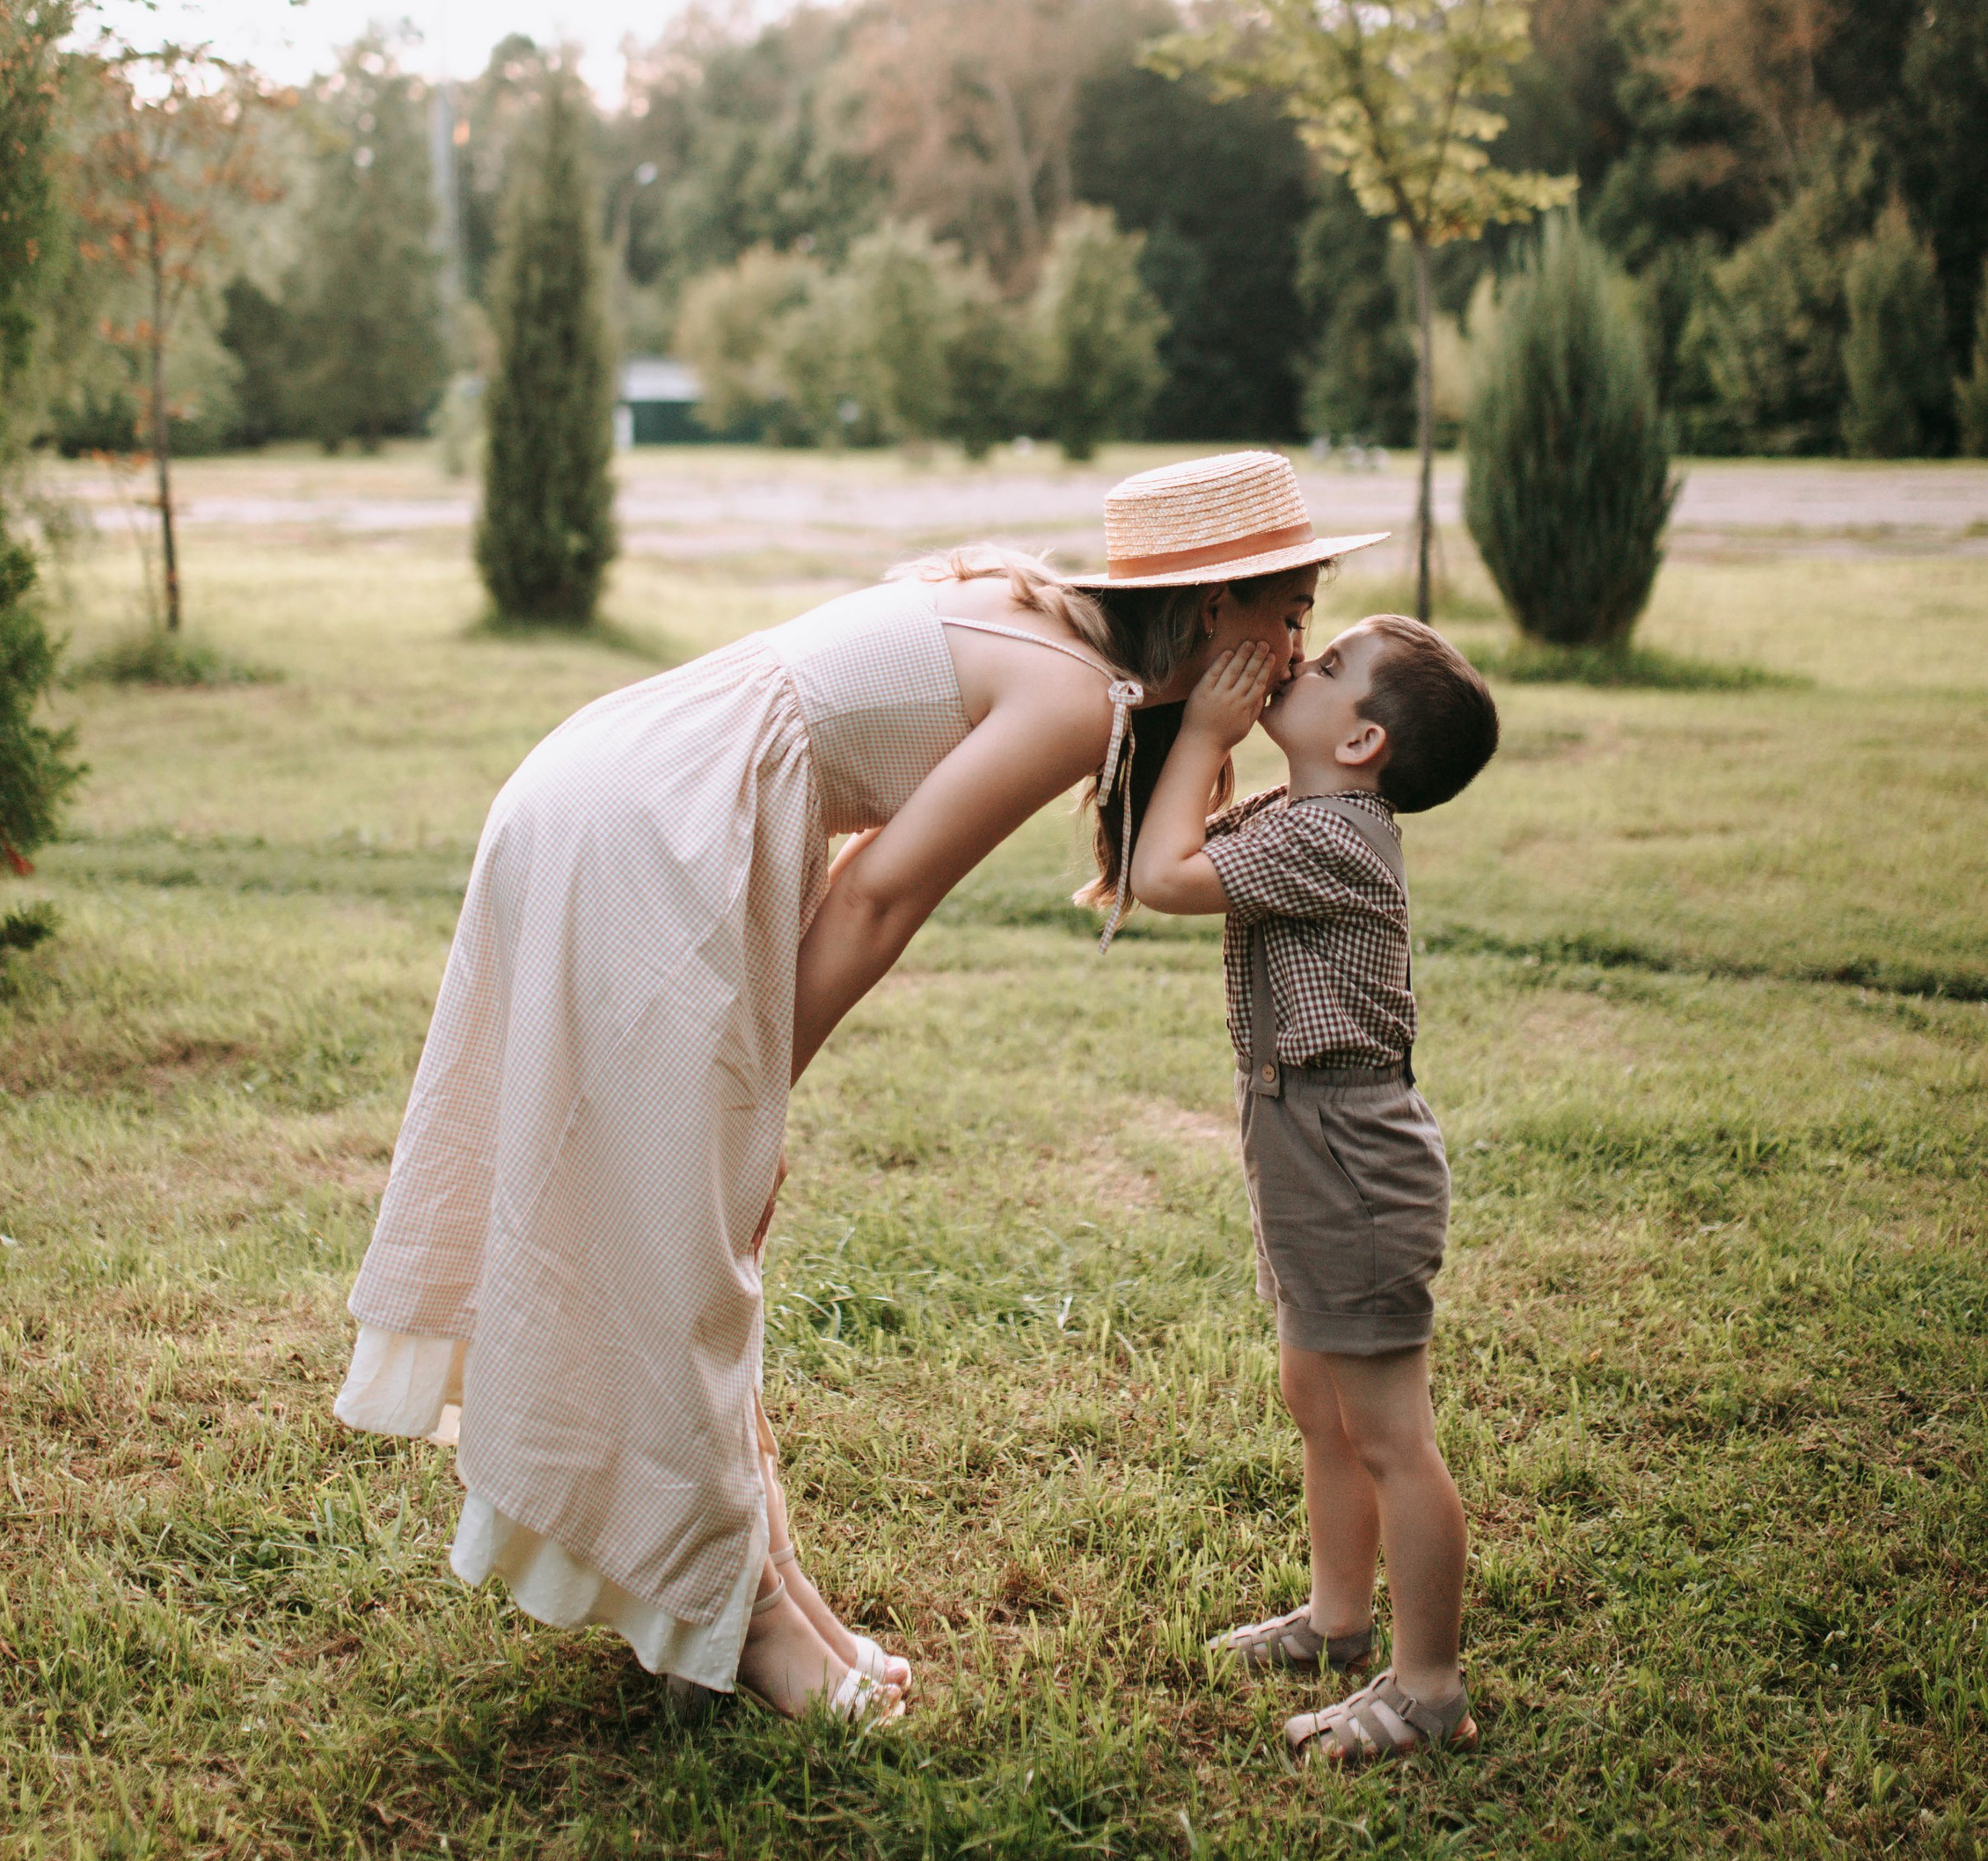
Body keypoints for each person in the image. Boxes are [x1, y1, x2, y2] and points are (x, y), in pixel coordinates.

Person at [334, 449, 1386, 1723]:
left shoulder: (1042, 620)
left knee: (682, 1239)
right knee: (681, 1245)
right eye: (1292, 613)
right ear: (1217, 607)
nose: (1298, 648)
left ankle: (754, 1597)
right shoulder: (1074, 694)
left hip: (615, 786)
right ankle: (738, 1620)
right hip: (641, 831)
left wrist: (741, 1104)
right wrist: (756, 1100)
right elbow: (881, 894)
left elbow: (867, 849)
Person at [1129, 609, 1500, 1763]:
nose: (1300, 660)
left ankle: (1428, 1689)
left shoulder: (1334, 836)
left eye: (1328, 664)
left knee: (1390, 1433)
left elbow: (1162, 875)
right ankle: (1339, 1623)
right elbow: (1171, 828)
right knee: (1320, 1404)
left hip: (1350, 1151)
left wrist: (1207, 728)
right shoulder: (1296, 814)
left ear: (1361, 743)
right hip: (1301, 1134)